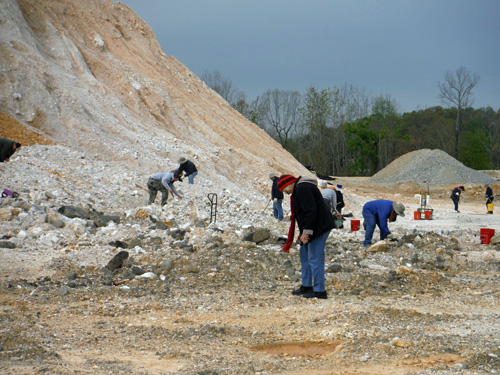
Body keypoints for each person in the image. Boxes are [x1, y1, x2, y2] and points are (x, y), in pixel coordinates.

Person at [278, 174, 335, 299]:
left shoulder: (302, 189)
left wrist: (306, 232)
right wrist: (302, 233)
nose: (287, 193)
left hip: (319, 227)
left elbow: (310, 211)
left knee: (315, 258)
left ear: (289, 184)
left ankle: (320, 291)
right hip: (312, 227)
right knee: (304, 255)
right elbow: (303, 214)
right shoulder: (300, 188)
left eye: (285, 190)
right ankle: (307, 285)